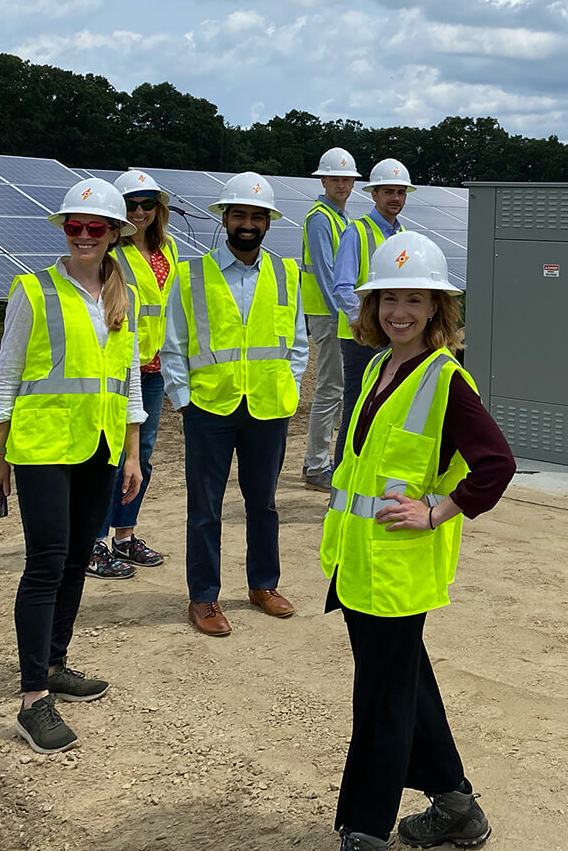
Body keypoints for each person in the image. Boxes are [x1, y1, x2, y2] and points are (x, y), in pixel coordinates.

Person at [320, 232, 516, 851]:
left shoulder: (445, 380)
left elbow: (496, 464)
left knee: (381, 701)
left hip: (398, 571)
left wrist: (439, 511)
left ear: (437, 308)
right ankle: (457, 808)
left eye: (414, 299)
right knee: (406, 683)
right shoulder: (381, 364)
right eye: (387, 299)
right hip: (360, 564)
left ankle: (366, 830)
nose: (398, 311)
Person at [0, 179, 146, 754]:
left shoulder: (125, 298)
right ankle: (33, 700)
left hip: (100, 447)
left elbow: (128, 383)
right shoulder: (33, 290)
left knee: (79, 557)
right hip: (44, 446)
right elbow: (7, 374)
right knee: (47, 563)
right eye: (73, 226)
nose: (82, 235)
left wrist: (131, 452)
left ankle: (54, 664)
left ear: (113, 236)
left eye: (94, 227)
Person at [161, 172, 309, 637]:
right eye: (239, 214)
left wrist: (289, 386)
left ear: (268, 223)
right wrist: (184, 401)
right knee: (205, 508)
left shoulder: (286, 273)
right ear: (224, 219)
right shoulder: (191, 275)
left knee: (263, 504)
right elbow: (173, 345)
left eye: (257, 216)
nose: (248, 223)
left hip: (269, 407)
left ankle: (263, 585)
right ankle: (204, 598)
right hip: (209, 408)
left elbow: (298, 344)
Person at [87, 169, 179, 579]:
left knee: (138, 457)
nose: (139, 212)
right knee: (104, 454)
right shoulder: (109, 253)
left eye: (147, 204)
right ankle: (93, 541)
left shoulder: (168, 249)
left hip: (156, 368)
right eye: (131, 205)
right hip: (119, 367)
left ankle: (124, 536)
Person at [331, 157, 413, 469]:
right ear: (374, 194)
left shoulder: (402, 236)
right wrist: (369, 328)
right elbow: (343, 287)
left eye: (401, 192)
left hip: (395, 337)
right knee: (356, 414)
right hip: (362, 340)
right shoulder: (358, 232)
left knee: (389, 411)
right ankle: (342, 486)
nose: (396, 198)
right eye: (389, 191)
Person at [300, 147, 359, 492]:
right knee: (331, 390)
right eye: (335, 178)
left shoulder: (341, 218)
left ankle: (322, 460)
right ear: (323, 180)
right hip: (329, 315)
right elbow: (325, 274)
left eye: (346, 179)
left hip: (337, 314)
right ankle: (317, 464)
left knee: (337, 389)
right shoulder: (321, 218)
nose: (342, 184)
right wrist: (348, 316)